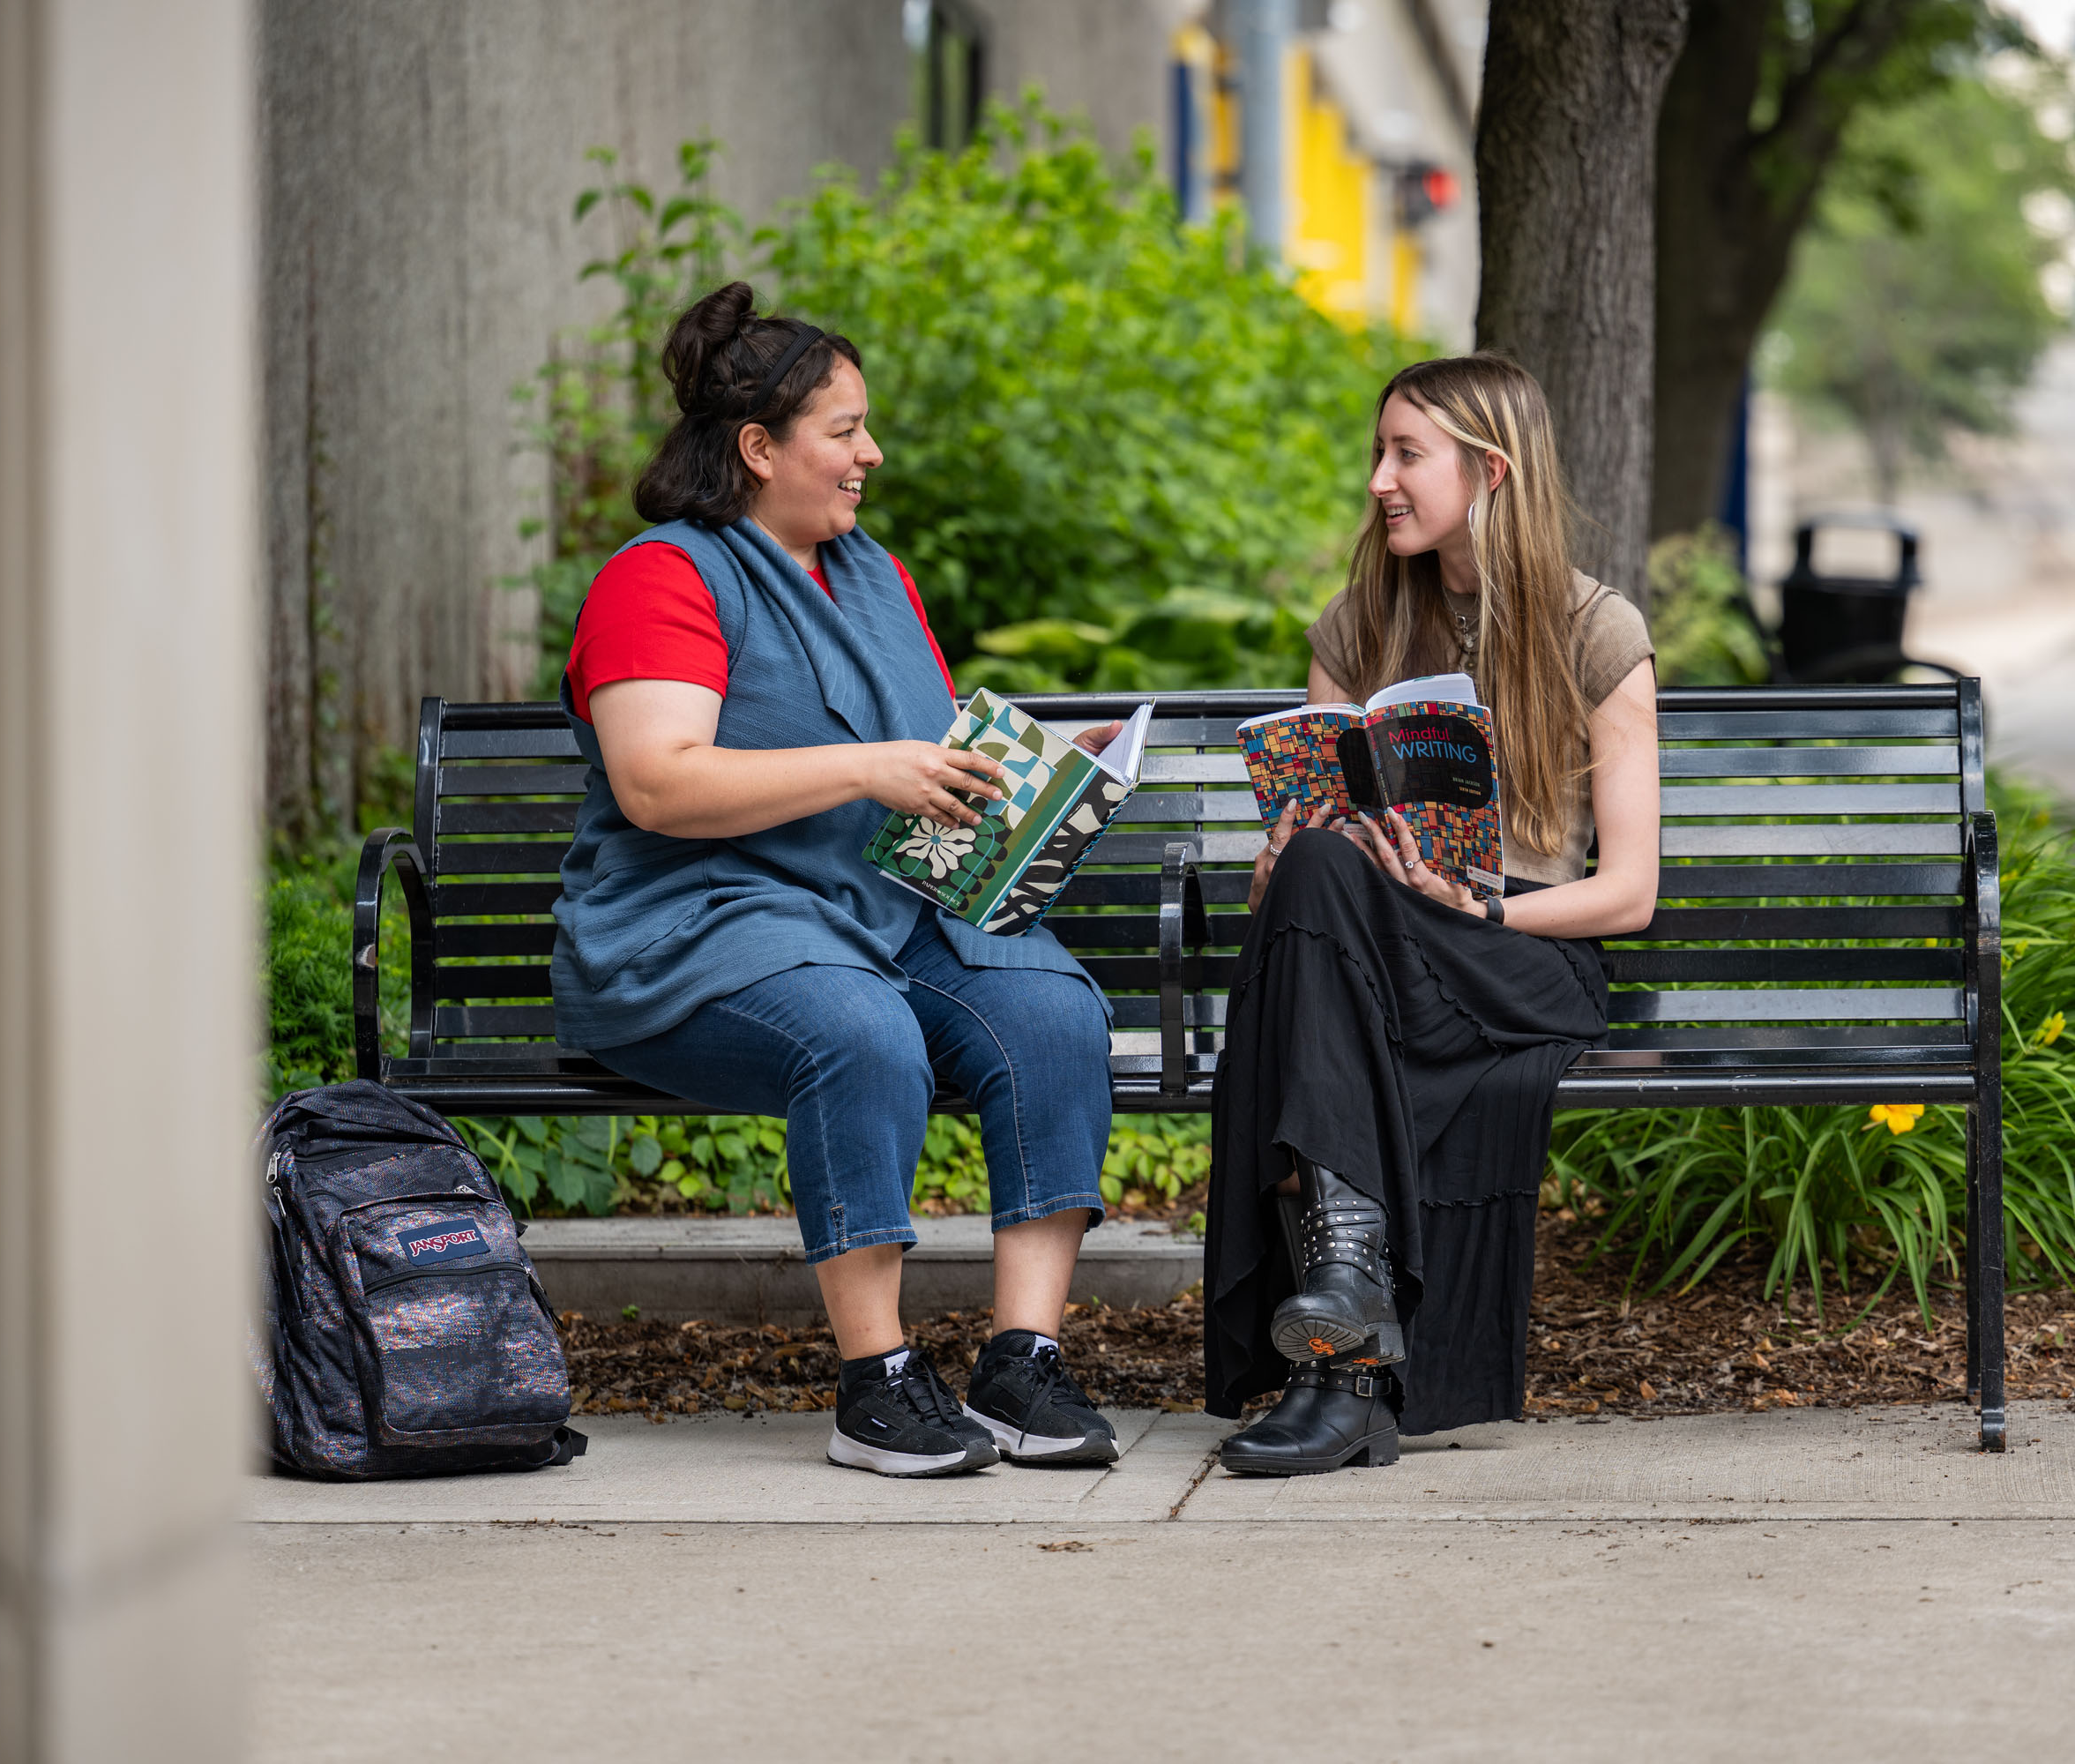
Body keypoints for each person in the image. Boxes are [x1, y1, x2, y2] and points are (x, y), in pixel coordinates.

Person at [552, 281, 1121, 1477]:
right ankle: (879, 1386)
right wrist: (869, 768)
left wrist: (1020, 804)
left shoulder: (874, 574)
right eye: (844, 430)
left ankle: (1023, 1364)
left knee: (1056, 1014)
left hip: (881, 917)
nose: (871, 454)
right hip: (699, 930)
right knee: (862, 1037)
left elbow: (922, 762)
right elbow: (657, 782)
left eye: (866, 428)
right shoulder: (661, 578)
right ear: (758, 450)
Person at [1205, 355, 1661, 1475]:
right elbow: (1313, 862)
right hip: (1373, 963)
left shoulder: (1597, 631)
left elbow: (1631, 893)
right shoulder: (1356, 626)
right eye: (1379, 452)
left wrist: (1486, 906)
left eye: (1407, 454)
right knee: (1316, 865)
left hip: (1518, 958)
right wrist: (1283, 859)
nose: (1379, 481)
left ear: (1489, 470)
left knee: (1325, 912)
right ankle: (1347, 1331)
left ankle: (1340, 1354)